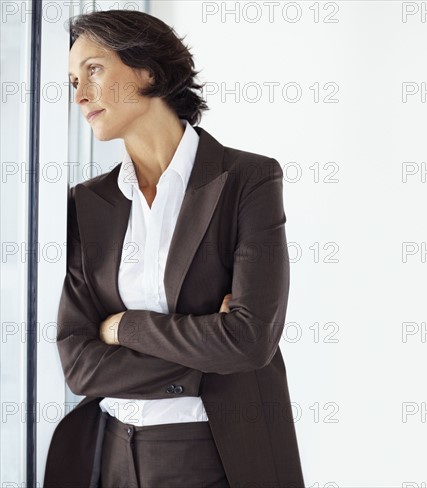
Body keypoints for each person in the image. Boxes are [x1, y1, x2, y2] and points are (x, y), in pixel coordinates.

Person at [43, 9, 304, 488]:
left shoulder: (247, 181)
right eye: (73, 80)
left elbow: (250, 341)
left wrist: (125, 327)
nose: (79, 95)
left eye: (94, 70)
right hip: (108, 455)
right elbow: (78, 365)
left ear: (149, 71)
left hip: (218, 456)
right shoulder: (86, 204)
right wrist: (209, 343)